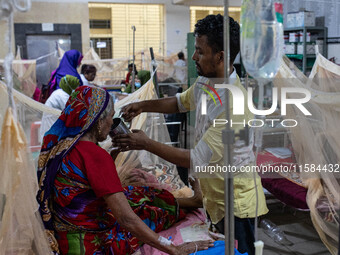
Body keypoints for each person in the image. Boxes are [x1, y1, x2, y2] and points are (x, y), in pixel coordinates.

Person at [113, 15, 268, 255]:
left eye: (199, 51)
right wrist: (143, 105)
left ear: (221, 56)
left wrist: (144, 143)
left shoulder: (234, 104)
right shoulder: (207, 82)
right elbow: (179, 103)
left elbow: (197, 158)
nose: (193, 56)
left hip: (235, 203)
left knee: (239, 250)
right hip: (214, 194)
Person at [37, 85, 213, 255]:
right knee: (149, 210)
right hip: (93, 244)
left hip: (63, 235)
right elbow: (126, 219)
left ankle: (194, 201)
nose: (111, 123)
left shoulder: (59, 146)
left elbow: (85, 183)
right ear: (98, 120)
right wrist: (175, 249)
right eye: (110, 117)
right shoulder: (95, 155)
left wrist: (111, 156)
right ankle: (189, 205)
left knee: (138, 193)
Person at [39, 75, 80, 140]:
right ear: (70, 86)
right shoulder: (62, 95)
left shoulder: (61, 93)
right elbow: (72, 112)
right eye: (75, 87)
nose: (77, 89)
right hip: (52, 128)